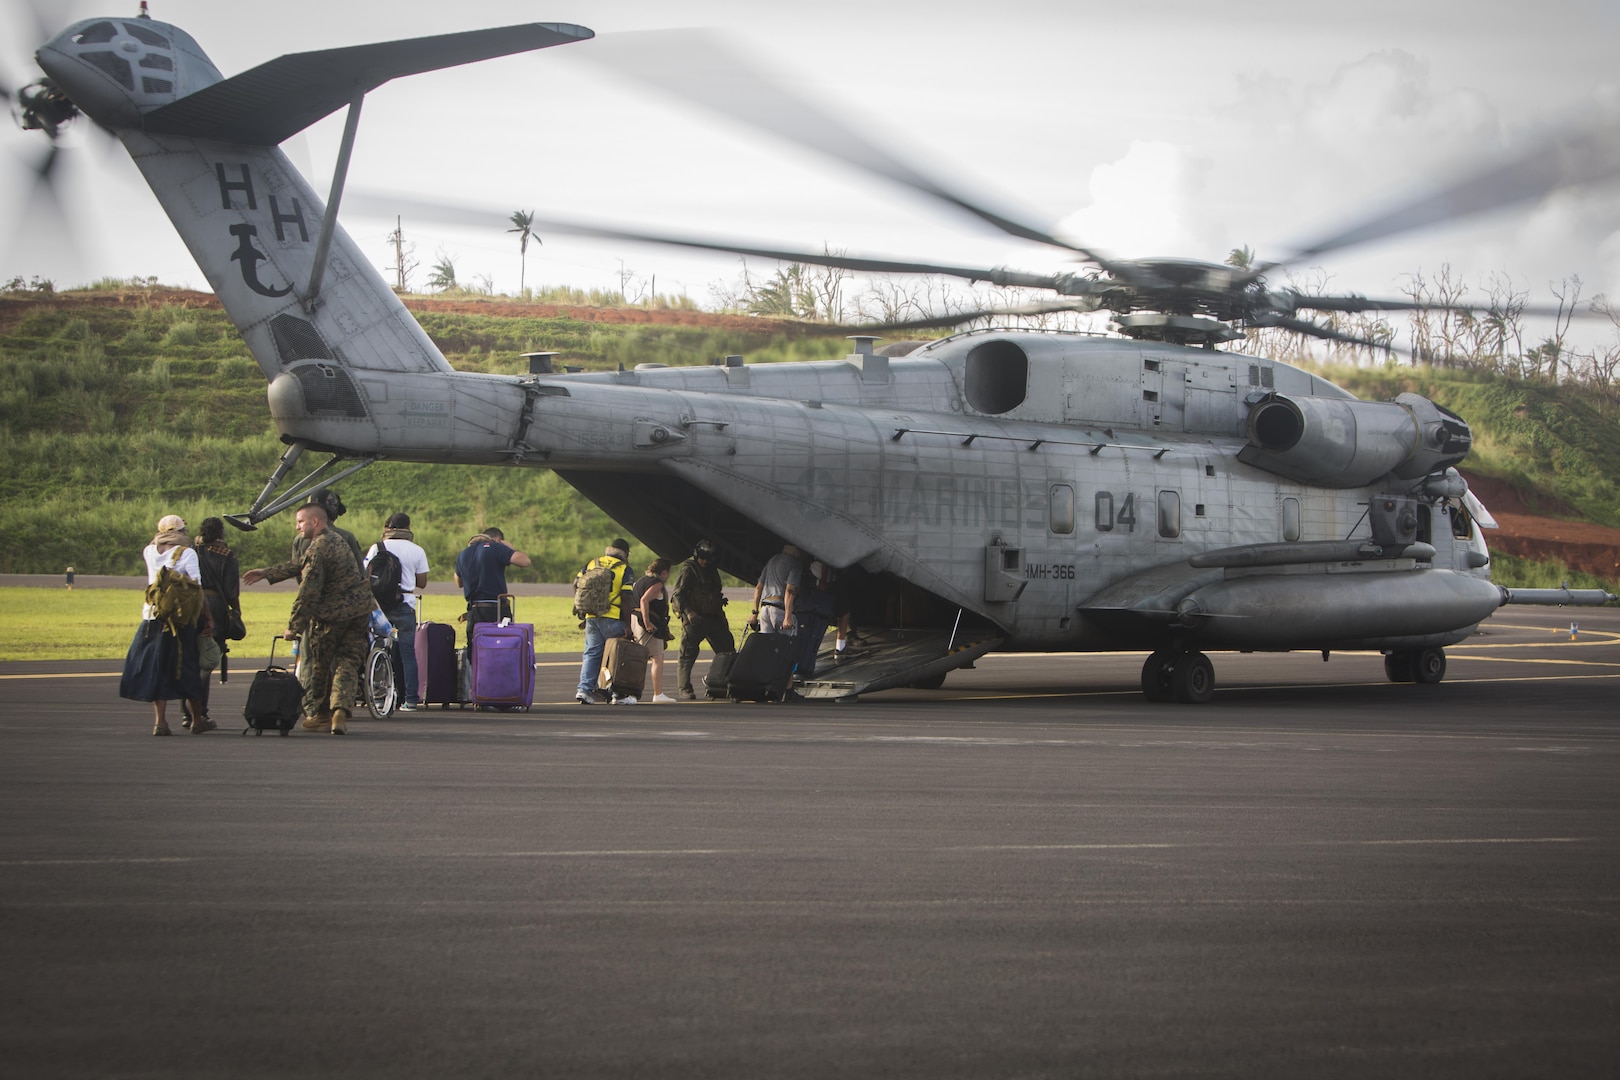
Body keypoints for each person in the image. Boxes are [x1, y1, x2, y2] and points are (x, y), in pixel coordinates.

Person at [284, 501, 376, 736]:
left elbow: (308, 592)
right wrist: (268, 573)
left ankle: (322, 715)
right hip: (359, 612)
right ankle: (340, 712)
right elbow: (302, 564)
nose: (297, 527)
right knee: (348, 663)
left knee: (321, 666)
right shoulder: (339, 540)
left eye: (300, 521)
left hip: (331, 616)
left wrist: (294, 626)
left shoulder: (316, 548)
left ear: (315, 521)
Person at [119, 514, 211, 735]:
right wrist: (209, 617)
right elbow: (197, 588)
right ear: (181, 532)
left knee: (157, 669)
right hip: (180, 622)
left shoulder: (149, 551)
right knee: (187, 667)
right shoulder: (187, 553)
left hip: (152, 618)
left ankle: (160, 722)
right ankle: (198, 720)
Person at [364, 512, 430, 711]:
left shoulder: (378, 547)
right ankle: (410, 700)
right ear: (408, 527)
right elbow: (422, 583)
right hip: (405, 603)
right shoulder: (417, 550)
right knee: (408, 654)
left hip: (379, 605)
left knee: (375, 649)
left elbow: (364, 573)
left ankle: (378, 696)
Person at [241, 488, 364, 587]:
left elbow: (298, 570)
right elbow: (360, 573)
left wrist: (266, 573)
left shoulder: (300, 540)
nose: (297, 527)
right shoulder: (346, 537)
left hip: (319, 604)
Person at [190, 517, 241, 729]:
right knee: (208, 660)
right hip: (215, 607)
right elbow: (231, 591)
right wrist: (236, 612)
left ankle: (188, 714)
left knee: (191, 660)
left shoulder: (191, 552)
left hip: (192, 605)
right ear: (221, 534)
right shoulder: (227, 556)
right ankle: (200, 713)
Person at [670, 539, 734, 701]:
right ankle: (684, 688)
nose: (705, 561)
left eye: (709, 558)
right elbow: (678, 595)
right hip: (695, 619)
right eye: (703, 558)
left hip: (713, 618)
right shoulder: (689, 571)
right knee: (687, 654)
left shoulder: (712, 570)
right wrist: (689, 612)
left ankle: (727, 685)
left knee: (728, 650)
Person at [575, 538, 633, 705]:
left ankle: (584, 690)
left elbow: (576, 584)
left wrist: (582, 607)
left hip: (592, 616)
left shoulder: (592, 563)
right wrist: (628, 625)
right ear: (626, 554)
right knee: (617, 656)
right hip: (613, 617)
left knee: (592, 653)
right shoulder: (624, 569)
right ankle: (618, 694)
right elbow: (627, 596)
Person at [454, 527, 530, 626]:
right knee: (501, 640)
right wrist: (509, 549)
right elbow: (525, 562)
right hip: (497, 609)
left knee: (476, 640)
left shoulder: (463, 553)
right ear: (498, 539)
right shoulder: (496, 547)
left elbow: (459, 582)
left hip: (474, 610)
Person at [630, 558, 676, 703]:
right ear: (664, 572)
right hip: (647, 625)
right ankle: (658, 693)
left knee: (639, 657)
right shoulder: (657, 584)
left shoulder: (640, 581)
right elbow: (644, 600)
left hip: (634, 621)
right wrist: (648, 623)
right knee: (657, 658)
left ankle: (629, 691)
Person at [750, 542, 803, 636]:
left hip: (764, 610)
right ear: (796, 550)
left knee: (767, 645)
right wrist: (788, 616)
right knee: (787, 644)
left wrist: (755, 613)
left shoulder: (772, 560)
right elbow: (790, 590)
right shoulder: (795, 564)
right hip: (779, 609)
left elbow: (758, 587)